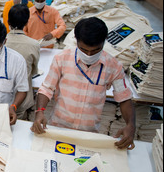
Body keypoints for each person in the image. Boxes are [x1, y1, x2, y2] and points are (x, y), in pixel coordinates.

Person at [30, 17, 136, 150]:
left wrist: (130, 125)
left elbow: (124, 98)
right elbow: (46, 89)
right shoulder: (61, 58)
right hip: (58, 127)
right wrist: (40, 112)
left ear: (103, 43)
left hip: (88, 134)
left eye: (96, 50)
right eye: (84, 50)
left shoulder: (113, 66)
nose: (89, 55)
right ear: (76, 41)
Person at [5, 4, 40, 119]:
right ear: (27, 22)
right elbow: (34, 72)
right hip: (23, 101)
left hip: (2, 99)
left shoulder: (1, 42)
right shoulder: (34, 44)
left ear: (8, 21)